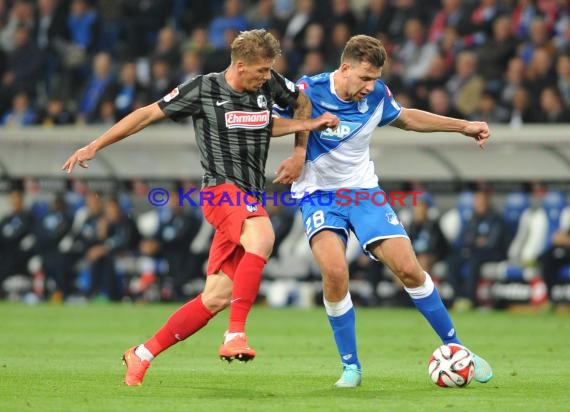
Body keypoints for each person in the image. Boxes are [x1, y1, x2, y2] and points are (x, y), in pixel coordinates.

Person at [61, 29, 338, 386]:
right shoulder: (203, 89)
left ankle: (141, 354)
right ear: (240, 66)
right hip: (219, 192)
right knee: (263, 234)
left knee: (216, 296)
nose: (268, 77)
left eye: (270, 71)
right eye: (261, 71)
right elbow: (146, 115)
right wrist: (94, 145)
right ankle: (235, 334)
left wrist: (301, 149)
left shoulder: (268, 85)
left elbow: (296, 105)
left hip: (249, 197)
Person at [274, 34, 493, 388]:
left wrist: (463, 126)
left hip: (363, 193)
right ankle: (351, 367)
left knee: (409, 268)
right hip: (318, 195)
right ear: (344, 69)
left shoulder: (376, 95)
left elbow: (406, 118)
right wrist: (301, 144)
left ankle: (456, 347)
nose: (370, 86)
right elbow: (272, 123)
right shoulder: (307, 92)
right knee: (334, 271)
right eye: (364, 77)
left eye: (375, 78)